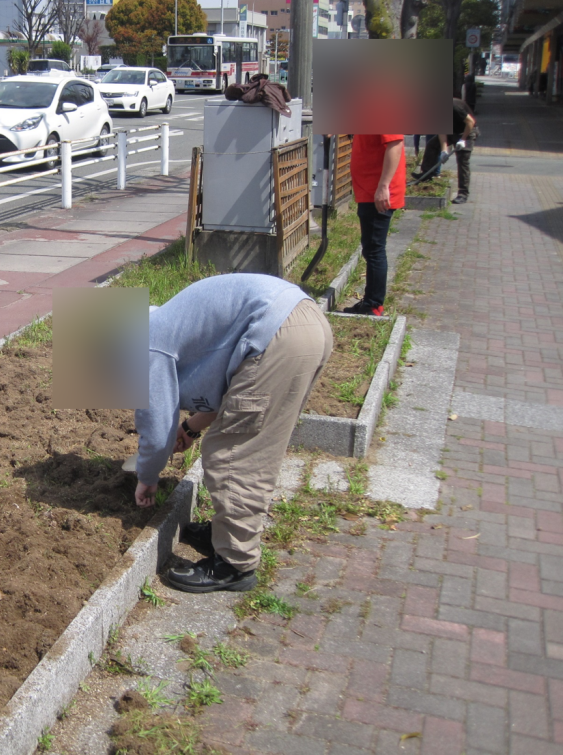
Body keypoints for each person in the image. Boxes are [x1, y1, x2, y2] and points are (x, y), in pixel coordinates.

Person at [134, 275, 333, 593]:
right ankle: (227, 533)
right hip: (302, 321)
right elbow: (230, 392)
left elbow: (156, 430)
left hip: (278, 333)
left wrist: (147, 476)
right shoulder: (165, 322)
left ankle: (235, 564)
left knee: (233, 454)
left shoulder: (146, 344)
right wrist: (189, 428)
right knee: (250, 439)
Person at [344, 134, 407, 317]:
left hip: (378, 194)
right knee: (371, 248)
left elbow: (395, 144)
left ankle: (373, 305)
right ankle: (371, 300)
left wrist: (383, 186)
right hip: (369, 190)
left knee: (374, 249)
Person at [415, 98, 477, 205]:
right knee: (432, 145)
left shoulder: (454, 107)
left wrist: (462, 139)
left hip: (467, 131)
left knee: (463, 161)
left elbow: (470, 122)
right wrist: (444, 150)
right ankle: (426, 174)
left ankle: (463, 193)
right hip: (452, 130)